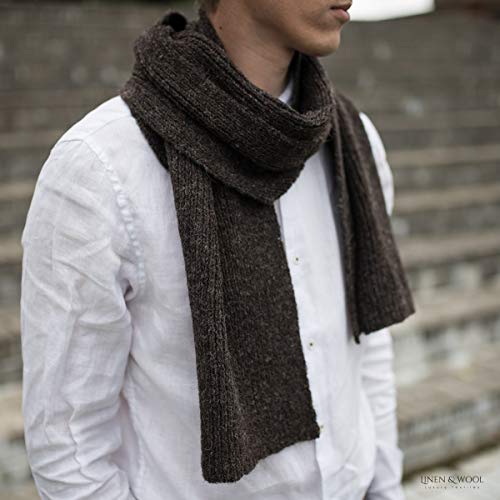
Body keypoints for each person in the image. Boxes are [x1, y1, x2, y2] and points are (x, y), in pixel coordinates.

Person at [20, 1, 415, 499]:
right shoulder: (101, 167)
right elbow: (68, 442)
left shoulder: (353, 142)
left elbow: (366, 345)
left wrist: (385, 488)